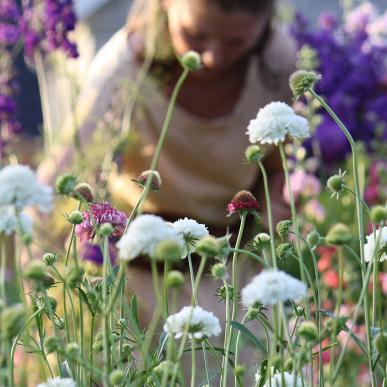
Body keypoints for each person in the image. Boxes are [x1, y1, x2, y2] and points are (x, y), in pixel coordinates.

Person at [37, 0, 296, 380]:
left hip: (231, 278)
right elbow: (63, 173)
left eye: (235, 41)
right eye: (194, 35)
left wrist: (283, 205)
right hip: (134, 284)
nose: (211, 56)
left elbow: (285, 166)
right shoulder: (128, 65)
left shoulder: (277, 64)